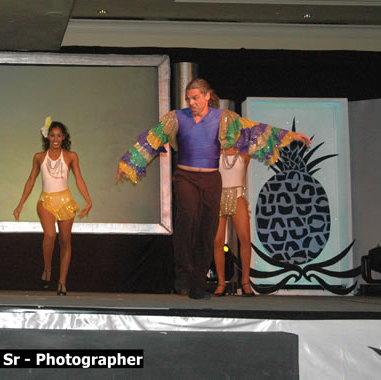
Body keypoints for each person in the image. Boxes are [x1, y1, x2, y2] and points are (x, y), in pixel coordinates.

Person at [116, 79, 311, 299]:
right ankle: (183, 275)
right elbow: (152, 139)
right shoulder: (176, 118)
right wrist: (129, 162)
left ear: (208, 96)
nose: (191, 102)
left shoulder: (224, 118)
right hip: (185, 177)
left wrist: (291, 135)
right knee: (188, 218)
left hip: (211, 180)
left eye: (195, 98)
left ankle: (198, 281)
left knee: (206, 229)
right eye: (188, 98)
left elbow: (255, 129)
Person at [13, 119, 92, 296]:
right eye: (52, 135)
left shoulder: (72, 156)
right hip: (46, 202)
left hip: (65, 201)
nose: (55, 139)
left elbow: (79, 179)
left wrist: (88, 200)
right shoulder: (39, 157)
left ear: (63, 137)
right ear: (47, 137)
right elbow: (31, 180)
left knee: (65, 242)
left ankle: (62, 282)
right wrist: (20, 204)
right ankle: (47, 268)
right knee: (50, 234)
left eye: (59, 135)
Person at [213, 145, 254, 296]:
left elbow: (243, 179)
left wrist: (244, 197)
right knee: (217, 241)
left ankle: (245, 281)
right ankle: (221, 283)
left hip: (237, 196)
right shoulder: (215, 153)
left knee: (244, 238)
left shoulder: (244, 154)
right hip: (219, 196)